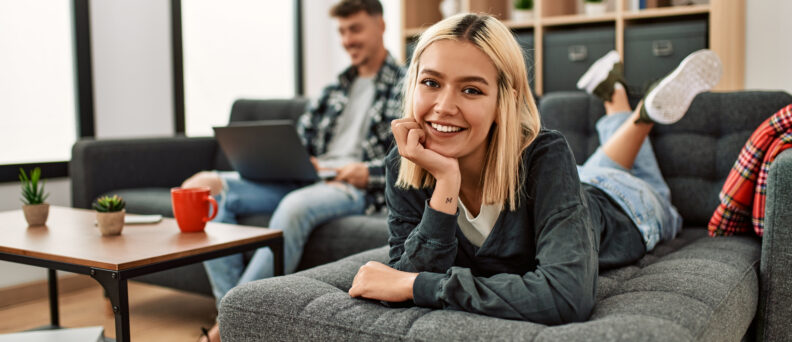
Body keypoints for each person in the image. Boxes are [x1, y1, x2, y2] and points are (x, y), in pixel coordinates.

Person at [347, 13, 722, 325]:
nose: (444, 106)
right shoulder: (406, 161)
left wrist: (420, 288)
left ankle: (639, 115)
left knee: (650, 188)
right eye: (431, 82)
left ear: (504, 100)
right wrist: (446, 183)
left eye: (472, 90)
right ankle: (619, 100)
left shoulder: (546, 153)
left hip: (627, 204)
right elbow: (406, 269)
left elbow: (565, 297)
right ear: (412, 84)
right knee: (593, 170)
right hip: (577, 183)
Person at [189, 1, 404, 341]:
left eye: (356, 29)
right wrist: (294, 159)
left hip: (352, 186)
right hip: (308, 177)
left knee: (294, 208)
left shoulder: (406, 85)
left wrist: (366, 172)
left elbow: (404, 159)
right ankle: (233, 317)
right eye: (342, 32)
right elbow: (300, 140)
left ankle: (223, 328)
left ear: (380, 25)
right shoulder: (335, 89)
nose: (348, 39)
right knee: (207, 188)